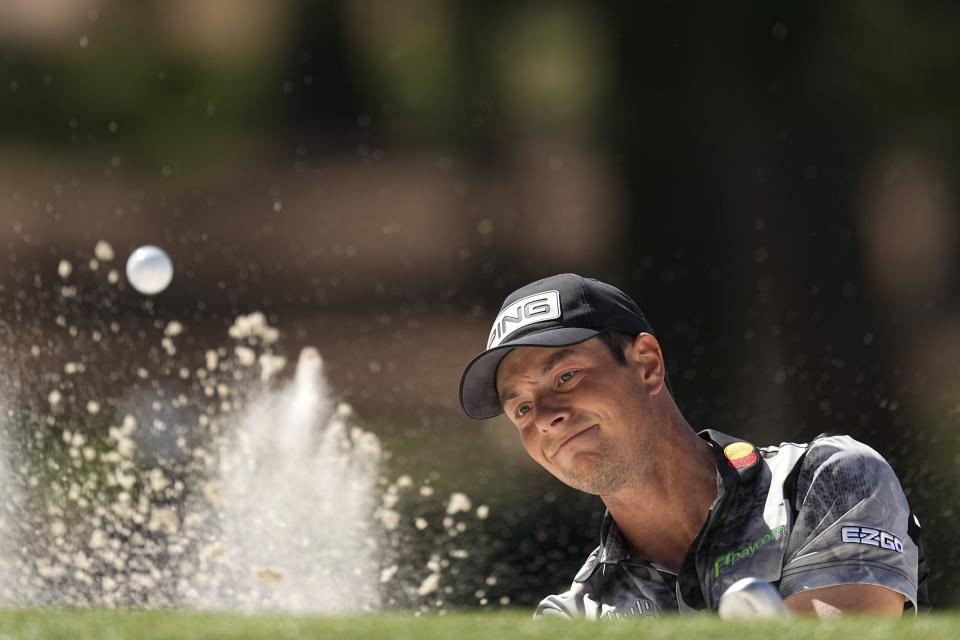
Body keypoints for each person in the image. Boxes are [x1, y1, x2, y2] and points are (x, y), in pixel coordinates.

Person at [458, 273, 928, 618]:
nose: (544, 417)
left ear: (646, 365)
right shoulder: (572, 618)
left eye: (566, 376)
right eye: (520, 408)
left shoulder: (822, 479)